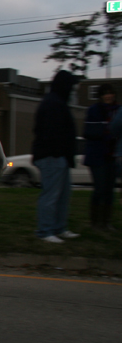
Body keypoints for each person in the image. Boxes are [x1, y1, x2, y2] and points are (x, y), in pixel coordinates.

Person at [32, 70, 81, 243]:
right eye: (72, 87)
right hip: (52, 156)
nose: (73, 90)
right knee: (51, 195)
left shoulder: (57, 102)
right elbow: (49, 132)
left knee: (63, 195)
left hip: (60, 157)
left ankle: (59, 228)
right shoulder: (52, 103)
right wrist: (58, 152)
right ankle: (45, 231)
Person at [83, 84, 119, 229]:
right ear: (101, 96)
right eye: (105, 94)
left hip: (112, 156)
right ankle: (95, 222)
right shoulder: (94, 110)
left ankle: (106, 222)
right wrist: (107, 131)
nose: (108, 96)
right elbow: (89, 132)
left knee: (110, 190)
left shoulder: (118, 110)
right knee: (100, 189)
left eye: (110, 93)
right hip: (97, 156)